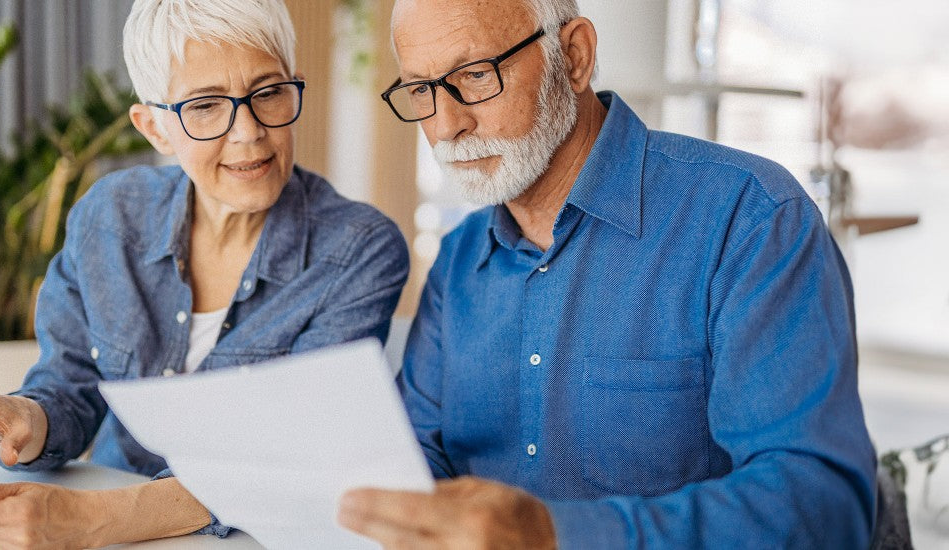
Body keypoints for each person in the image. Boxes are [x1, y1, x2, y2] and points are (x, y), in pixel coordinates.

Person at [337, 0, 877, 548]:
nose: (446, 125)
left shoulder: (750, 221)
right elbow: (413, 461)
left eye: (475, 76)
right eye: (421, 90)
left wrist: (552, 536)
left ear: (573, 57)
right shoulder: (459, 261)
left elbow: (821, 507)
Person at [0, 0, 409, 547]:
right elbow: (70, 387)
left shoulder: (360, 249)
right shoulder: (109, 218)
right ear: (155, 128)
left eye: (267, 93)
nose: (248, 132)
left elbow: (286, 458)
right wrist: (17, 419)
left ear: (295, 89)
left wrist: (92, 520)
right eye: (206, 107)